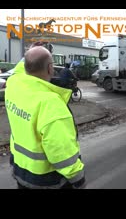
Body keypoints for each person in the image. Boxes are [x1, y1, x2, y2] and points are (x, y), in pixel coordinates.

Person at [5, 46, 85, 189]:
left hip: (20, 170)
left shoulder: (13, 84)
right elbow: (61, 150)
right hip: (46, 180)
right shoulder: (50, 103)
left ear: (26, 65)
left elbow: (18, 70)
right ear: (50, 68)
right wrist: (78, 180)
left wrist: (30, 52)